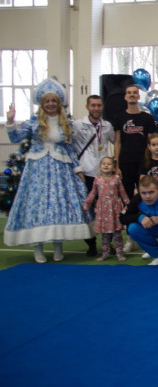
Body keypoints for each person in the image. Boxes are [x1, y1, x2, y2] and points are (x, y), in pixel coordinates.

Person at [4, 78, 93, 263]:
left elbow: (70, 148)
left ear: (58, 103)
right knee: (37, 205)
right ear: (42, 103)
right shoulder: (33, 122)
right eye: (47, 101)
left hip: (61, 169)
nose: (51, 104)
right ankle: (38, 248)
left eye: (54, 101)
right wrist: (11, 121)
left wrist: (77, 168)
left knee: (57, 205)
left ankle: (58, 245)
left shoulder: (65, 122)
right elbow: (15, 138)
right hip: (37, 170)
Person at [72, 94, 115, 256]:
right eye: (93, 105)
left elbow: (116, 142)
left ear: (102, 107)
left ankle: (107, 243)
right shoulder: (77, 125)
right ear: (87, 107)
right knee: (87, 210)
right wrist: (77, 168)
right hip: (85, 174)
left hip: (104, 175)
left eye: (99, 105)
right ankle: (91, 244)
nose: (96, 108)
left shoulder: (107, 126)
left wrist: (115, 164)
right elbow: (69, 146)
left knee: (106, 211)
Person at [83, 157, 130, 262]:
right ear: (100, 166)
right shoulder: (97, 179)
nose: (106, 165)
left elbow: (122, 193)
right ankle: (105, 253)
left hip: (115, 209)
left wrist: (129, 205)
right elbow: (93, 192)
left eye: (109, 164)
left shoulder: (116, 178)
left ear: (113, 167)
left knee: (117, 233)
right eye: (104, 163)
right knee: (105, 234)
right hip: (103, 210)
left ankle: (119, 253)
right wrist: (87, 203)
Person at [114, 84, 156, 199]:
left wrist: (150, 162)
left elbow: (151, 143)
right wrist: (116, 165)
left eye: (134, 93)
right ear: (125, 97)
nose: (132, 95)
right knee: (126, 195)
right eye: (129, 93)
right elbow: (117, 143)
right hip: (125, 162)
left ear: (138, 96)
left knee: (145, 193)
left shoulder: (147, 118)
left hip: (143, 161)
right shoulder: (119, 117)